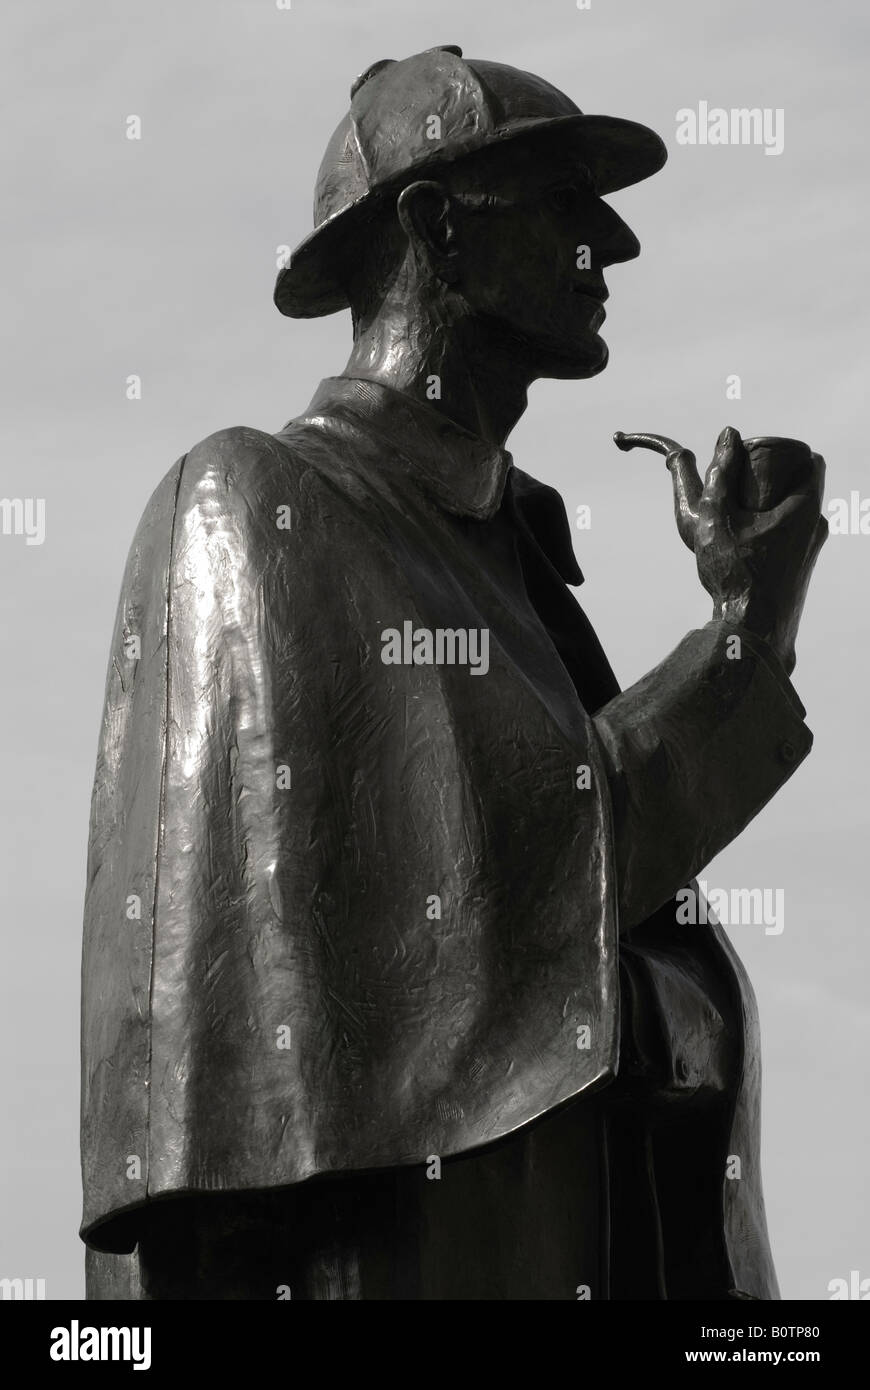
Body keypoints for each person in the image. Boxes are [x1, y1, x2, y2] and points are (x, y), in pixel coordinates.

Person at [81, 46, 826, 1300]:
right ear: (438, 227)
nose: (614, 244)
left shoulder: (515, 561)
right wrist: (745, 639)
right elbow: (535, 870)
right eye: (563, 202)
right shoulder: (263, 504)